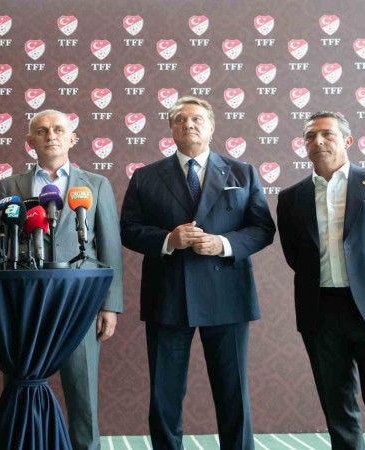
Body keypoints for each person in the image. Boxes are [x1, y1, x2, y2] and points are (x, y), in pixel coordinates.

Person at [119, 96, 275, 450]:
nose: (188, 124)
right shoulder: (145, 176)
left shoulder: (242, 172)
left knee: (233, 391)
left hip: (227, 295)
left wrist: (223, 243)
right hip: (168, 295)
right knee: (165, 394)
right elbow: (128, 229)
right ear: (171, 129)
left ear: (212, 127)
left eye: (196, 119)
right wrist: (168, 240)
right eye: (180, 120)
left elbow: (263, 228)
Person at [277, 112, 365, 450]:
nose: (318, 141)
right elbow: (294, 255)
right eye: (310, 136)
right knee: (337, 404)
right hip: (320, 311)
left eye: (327, 134)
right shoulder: (291, 197)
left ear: (347, 140)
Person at [0, 109, 123, 450]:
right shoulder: (9, 186)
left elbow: (109, 246)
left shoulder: (96, 185)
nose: (51, 136)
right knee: (20, 387)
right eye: (42, 130)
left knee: (83, 393)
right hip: (24, 304)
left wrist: (110, 305)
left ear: (72, 138)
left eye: (59, 129)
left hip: (80, 302)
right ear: (29, 141)